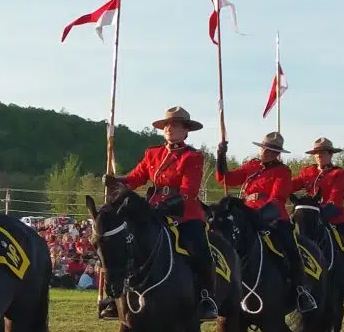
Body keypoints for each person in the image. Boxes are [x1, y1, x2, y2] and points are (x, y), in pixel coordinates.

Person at [111, 106, 209, 318]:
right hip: (152, 208)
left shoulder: (193, 156)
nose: (169, 129)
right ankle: (117, 293)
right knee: (123, 242)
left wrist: (170, 204)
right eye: (166, 125)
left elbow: (189, 189)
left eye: (174, 125)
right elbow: (137, 177)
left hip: (183, 212)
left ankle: (205, 297)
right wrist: (117, 181)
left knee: (200, 249)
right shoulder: (153, 153)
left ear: (185, 131)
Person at [216, 130, 306, 307]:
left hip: (273, 217)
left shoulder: (283, 172)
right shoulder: (251, 166)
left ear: (278, 154)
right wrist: (221, 156)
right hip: (246, 214)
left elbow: (277, 198)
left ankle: (300, 291)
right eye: (265, 149)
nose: (266, 153)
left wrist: (259, 216)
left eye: (272, 151)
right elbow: (227, 179)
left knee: (291, 250)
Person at [288, 135, 344, 267]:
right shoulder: (308, 171)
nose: (318, 156)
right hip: (309, 214)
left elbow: (336, 198)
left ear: (330, 154)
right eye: (316, 153)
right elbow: (293, 185)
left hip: (334, 215)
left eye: (322, 152)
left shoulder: (339, 173)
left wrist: (321, 213)